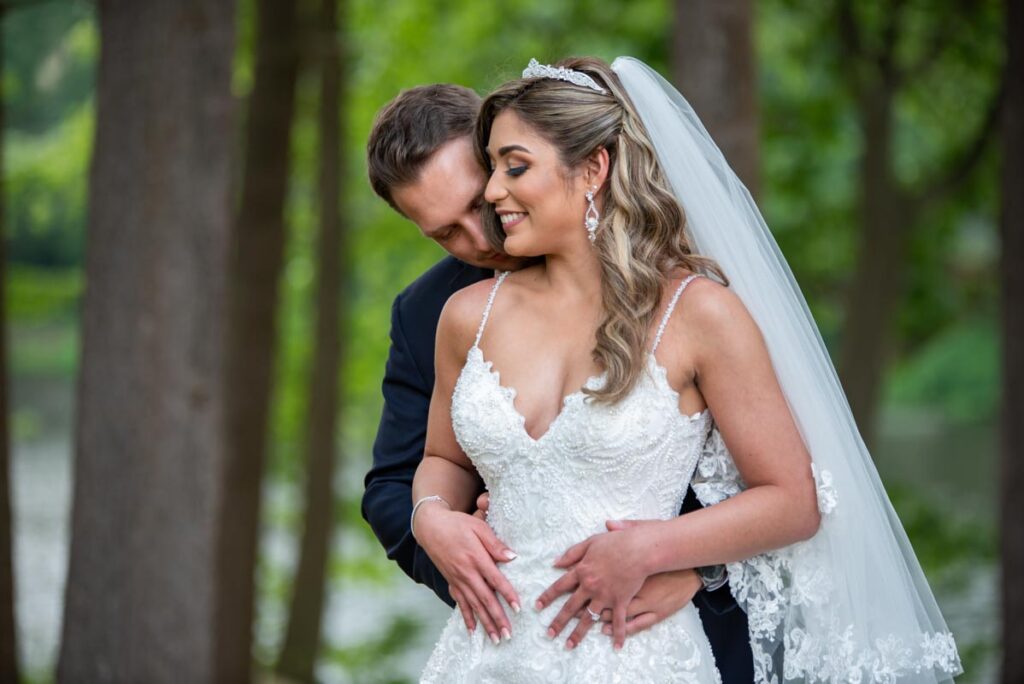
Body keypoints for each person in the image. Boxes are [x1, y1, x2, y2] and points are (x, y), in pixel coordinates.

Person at [412, 57, 962, 682]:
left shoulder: (699, 315)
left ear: (593, 168)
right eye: (492, 169)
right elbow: (443, 459)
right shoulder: (467, 316)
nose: (491, 192)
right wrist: (431, 516)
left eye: (515, 167)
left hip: (633, 657)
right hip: (481, 658)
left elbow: (793, 500)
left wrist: (652, 548)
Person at [361, 82, 754, 681]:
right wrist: (446, 530)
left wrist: (700, 567)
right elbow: (395, 484)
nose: (480, 239)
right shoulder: (433, 313)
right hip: (504, 642)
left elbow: (794, 474)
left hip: (665, 629)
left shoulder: (683, 280)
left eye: (478, 203)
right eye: (446, 233)